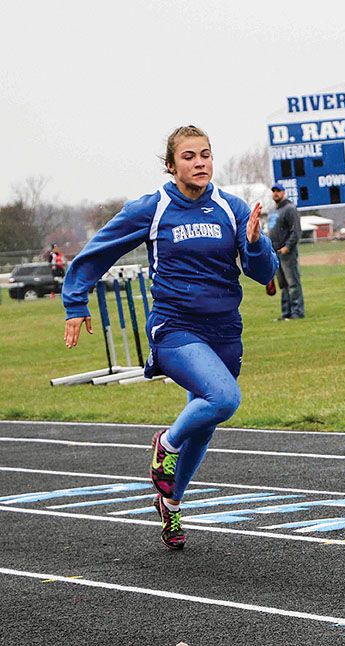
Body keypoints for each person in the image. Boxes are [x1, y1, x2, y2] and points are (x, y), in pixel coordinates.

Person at [62, 125, 278, 549]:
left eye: (205, 154)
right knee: (223, 399)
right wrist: (75, 303)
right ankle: (166, 442)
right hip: (175, 328)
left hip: (224, 330)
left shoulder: (231, 207)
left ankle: (171, 503)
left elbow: (263, 273)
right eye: (189, 156)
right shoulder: (153, 208)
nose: (199, 163)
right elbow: (99, 250)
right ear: (171, 165)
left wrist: (254, 242)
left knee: (205, 425)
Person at [269, 181, 304, 320]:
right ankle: (286, 313)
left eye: (278, 191)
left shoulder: (289, 208)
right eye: (273, 191)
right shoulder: (273, 210)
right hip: (275, 252)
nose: (275, 193)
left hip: (287, 253)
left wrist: (287, 247)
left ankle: (297, 312)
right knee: (283, 285)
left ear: (283, 193)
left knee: (293, 283)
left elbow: (296, 231)